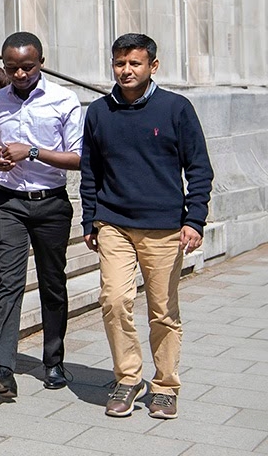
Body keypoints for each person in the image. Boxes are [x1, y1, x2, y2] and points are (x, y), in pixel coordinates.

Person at [81, 33, 212, 420]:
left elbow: (199, 168)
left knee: (163, 311)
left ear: (153, 66)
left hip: (164, 226)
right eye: (119, 63)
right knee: (114, 300)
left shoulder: (176, 108)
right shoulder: (99, 112)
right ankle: (127, 377)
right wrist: (90, 218)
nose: (126, 70)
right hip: (114, 223)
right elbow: (90, 171)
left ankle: (165, 386)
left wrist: (194, 219)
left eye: (134, 63)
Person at [0, 32, 83, 397]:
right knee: (9, 282)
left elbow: (78, 158)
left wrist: (32, 151)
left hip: (51, 203)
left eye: (27, 67)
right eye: (12, 68)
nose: (20, 74)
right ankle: (2, 367)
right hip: (9, 203)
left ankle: (53, 360)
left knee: (52, 282)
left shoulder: (64, 100)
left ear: (41, 62)